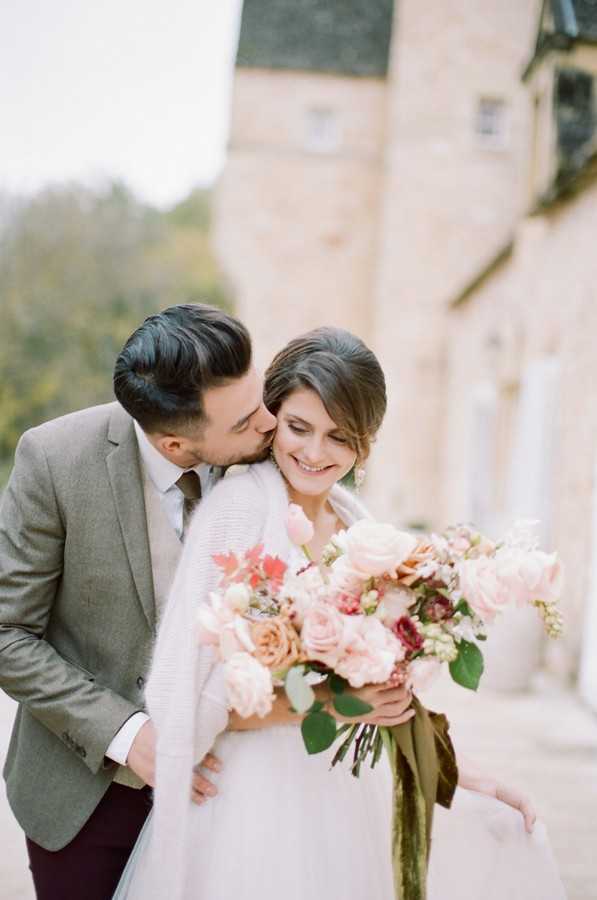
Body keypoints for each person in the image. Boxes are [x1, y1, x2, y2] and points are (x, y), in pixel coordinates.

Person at [113, 326, 565, 900]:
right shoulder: (238, 509)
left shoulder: (360, 527)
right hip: (255, 804)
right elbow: (201, 697)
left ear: (365, 444)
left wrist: (461, 777)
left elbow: (386, 702)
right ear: (272, 415)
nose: (314, 452)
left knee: (497, 838)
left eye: (339, 437)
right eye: (299, 428)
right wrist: (337, 704)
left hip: (346, 788)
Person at [0, 303, 277, 900]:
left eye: (261, 400)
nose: (271, 424)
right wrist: (129, 736)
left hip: (234, 796)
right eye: (245, 421)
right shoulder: (53, 461)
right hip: (84, 800)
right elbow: (7, 635)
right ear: (176, 442)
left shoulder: (271, 458)